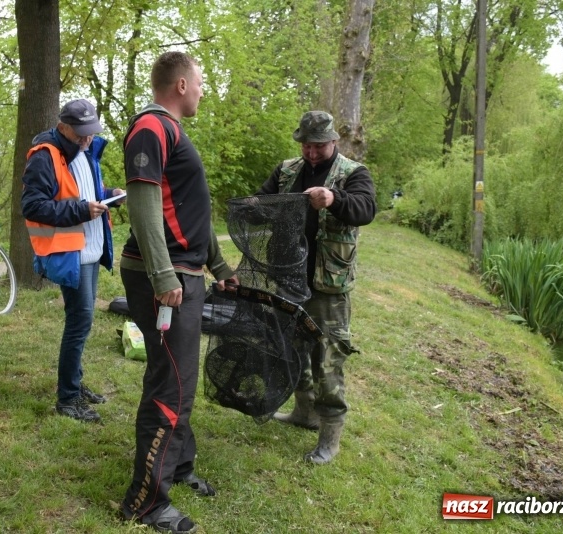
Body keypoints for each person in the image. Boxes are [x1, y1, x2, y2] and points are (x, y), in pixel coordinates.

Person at [119, 51, 238, 534]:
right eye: (202, 80)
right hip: (164, 279)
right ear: (183, 84)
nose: (205, 89)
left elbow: (190, 210)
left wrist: (219, 264)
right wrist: (164, 276)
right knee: (171, 385)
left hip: (186, 273)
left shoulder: (173, 131)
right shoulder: (150, 128)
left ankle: (180, 466)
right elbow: (144, 206)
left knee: (180, 378)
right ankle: (145, 503)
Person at [256, 111, 376, 464]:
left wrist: (334, 200)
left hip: (329, 285)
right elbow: (264, 199)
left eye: (319, 146)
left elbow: (366, 208)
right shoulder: (287, 170)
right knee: (291, 352)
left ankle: (329, 438)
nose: (311, 153)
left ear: (334, 142)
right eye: (307, 146)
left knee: (327, 360)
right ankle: (303, 413)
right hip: (289, 277)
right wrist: (254, 207)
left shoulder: (354, 173)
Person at [21, 99, 124, 423]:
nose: (87, 139)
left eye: (91, 133)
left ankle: (75, 386)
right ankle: (67, 398)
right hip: (71, 253)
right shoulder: (45, 156)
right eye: (81, 134)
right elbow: (33, 206)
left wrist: (110, 194)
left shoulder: (85, 152)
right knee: (78, 324)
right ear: (63, 126)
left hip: (90, 251)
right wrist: (81, 210)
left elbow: (83, 191)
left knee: (82, 321)